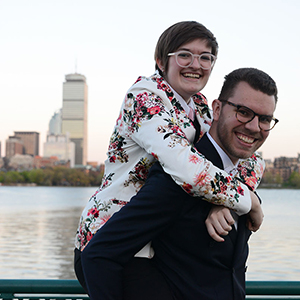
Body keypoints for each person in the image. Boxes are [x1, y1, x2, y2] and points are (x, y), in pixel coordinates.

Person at [74, 21, 264, 297]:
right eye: (184, 55)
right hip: (112, 242)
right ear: (161, 61)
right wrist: (248, 203)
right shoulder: (144, 97)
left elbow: (247, 158)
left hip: (157, 241)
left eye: (205, 57)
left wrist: (225, 203)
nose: (195, 64)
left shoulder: (198, 105)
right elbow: (184, 166)